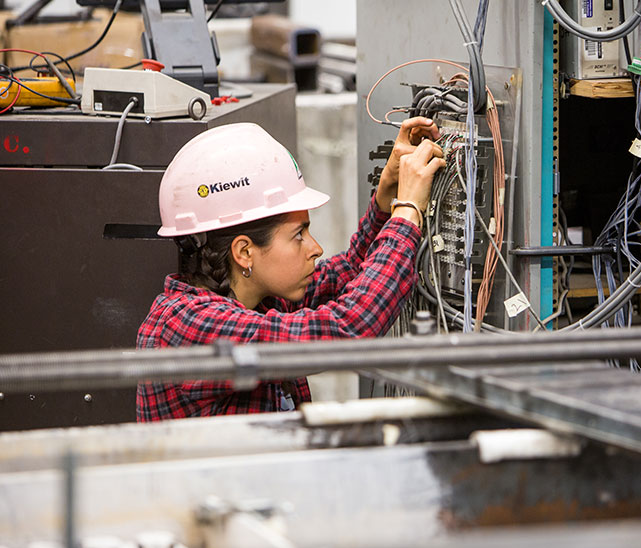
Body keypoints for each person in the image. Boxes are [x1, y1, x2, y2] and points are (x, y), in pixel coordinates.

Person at [137, 119, 444, 421]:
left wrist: (387, 194)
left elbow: (349, 271)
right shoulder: (188, 325)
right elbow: (347, 328)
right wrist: (407, 212)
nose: (316, 248)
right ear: (244, 252)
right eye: (299, 235)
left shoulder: (255, 299)